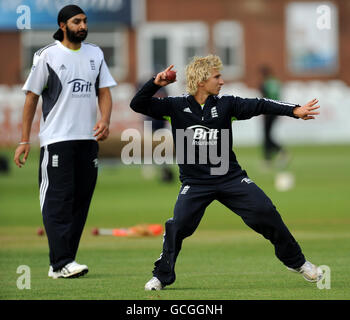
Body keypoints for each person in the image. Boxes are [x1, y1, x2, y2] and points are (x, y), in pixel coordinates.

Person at [130, 55, 322, 290]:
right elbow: (137, 104)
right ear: (201, 80)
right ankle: (162, 275)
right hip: (195, 183)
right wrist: (155, 83)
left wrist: (294, 110)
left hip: (230, 178)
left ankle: (297, 262)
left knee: (265, 211)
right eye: (217, 76)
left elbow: (260, 104)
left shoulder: (226, 104)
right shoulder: (175, 106)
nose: (222, 81)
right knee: (178, 225)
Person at [13, 5, 117, 279]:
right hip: (57, 140)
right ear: (63, 25)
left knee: (80, 202)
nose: (83, 25)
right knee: (58, 201)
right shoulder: (47, 56)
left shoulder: (95, 53)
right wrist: (24, 140)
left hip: (87, 141)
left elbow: (104, 92)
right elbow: (31, 98)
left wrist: (104, 120)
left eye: (84, 21)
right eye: (76, 21)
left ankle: (62, 263)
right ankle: (61, 262)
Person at [259, 65, 288, 167]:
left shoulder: (264, 84)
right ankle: (271, 157)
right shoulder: (276, 82)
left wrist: (262, 112)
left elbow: (264, 99)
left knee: (266, 135)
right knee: (268, 135)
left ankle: (273, 156)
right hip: (276, 110)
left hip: (268, 112)